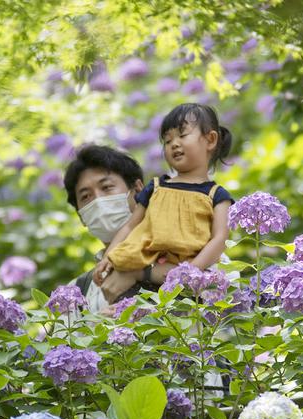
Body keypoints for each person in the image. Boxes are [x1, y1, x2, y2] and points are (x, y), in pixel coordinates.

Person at [94, 103, 234, 301]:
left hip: (181, 278)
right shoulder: (156, 187)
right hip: (140, 268)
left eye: (182, 135)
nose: (174, 144)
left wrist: (190, 271)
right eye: (167, 141)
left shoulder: (217, 195)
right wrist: (109, 255)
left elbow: (220, 239)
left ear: (210, 140)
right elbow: (131, 226)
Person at [62, 144, 154, 312]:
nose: (98, 201)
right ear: (81, 216)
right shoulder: (75, 294)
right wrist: (98, 331)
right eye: (86, 196)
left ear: (138, 189)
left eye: (106, 187)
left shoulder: (186, 259)